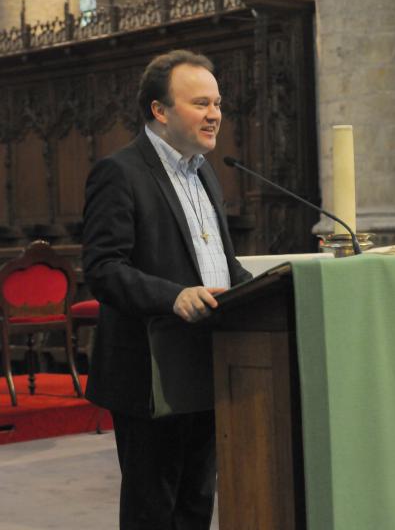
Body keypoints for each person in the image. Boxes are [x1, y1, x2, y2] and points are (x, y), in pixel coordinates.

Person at [82, 49, 252, 530]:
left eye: (217, 103)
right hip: (150, 368)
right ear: (160, 110)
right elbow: (103, 267)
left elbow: (218, 262)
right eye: (201, 103)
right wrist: (172, 296)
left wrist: (273, 290)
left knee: (196, 503)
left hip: (207, 359)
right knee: (153, 508)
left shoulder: (205, 173)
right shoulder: (121, 172)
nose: (215, 114)